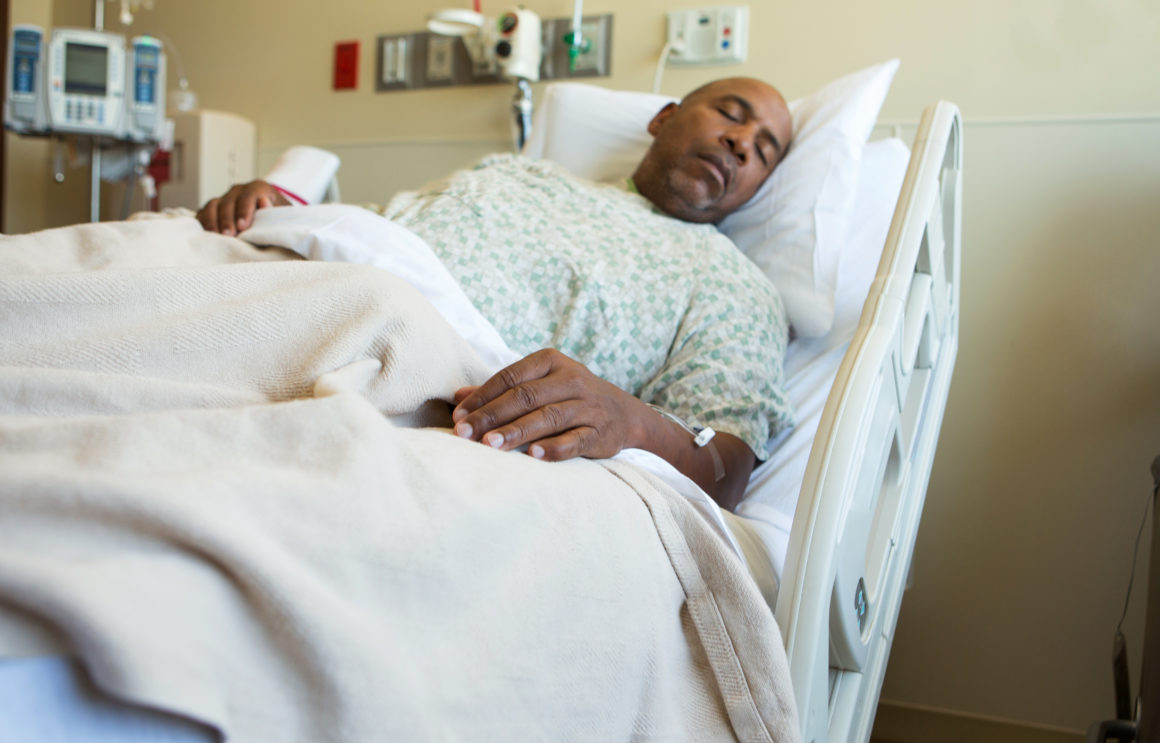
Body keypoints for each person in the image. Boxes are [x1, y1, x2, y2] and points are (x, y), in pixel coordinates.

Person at [198, 78, 793, 511]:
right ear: (664, 117)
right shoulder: (518, 173)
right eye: (730, 113)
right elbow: (374, 231)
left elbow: (724, 469)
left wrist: (629, 421)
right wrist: (277, 210)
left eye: (764, 151)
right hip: (265, 280)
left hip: (417, 378)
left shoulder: (732, 287)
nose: (743, 143)